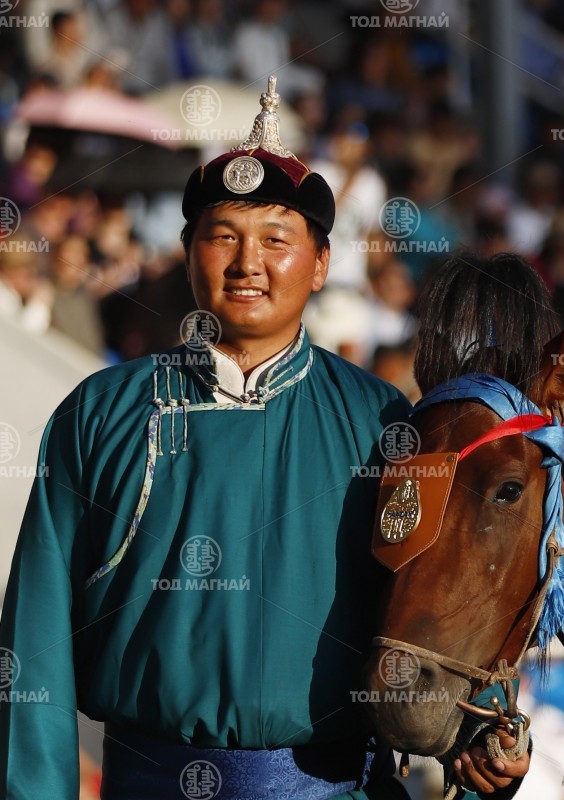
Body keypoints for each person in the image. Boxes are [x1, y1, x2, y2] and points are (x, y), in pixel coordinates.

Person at [0, 77, 529, 800]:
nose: (248, 263)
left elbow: (451, 595)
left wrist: (480, 737)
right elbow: (35, 635)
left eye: (277, 240)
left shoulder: (382, 424)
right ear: (188, 253)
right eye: (223, 237)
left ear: (318, 264)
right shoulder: (101, 413)